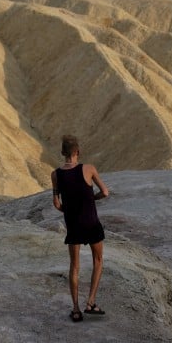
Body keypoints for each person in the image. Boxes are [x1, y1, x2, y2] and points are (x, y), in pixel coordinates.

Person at [51, 134, 109, 323]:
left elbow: (57, 203)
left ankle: (76, 310)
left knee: (74, 267)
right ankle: (91, 302)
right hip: (91, 222)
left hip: (73, 225)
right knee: (98, 260)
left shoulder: (56, 175)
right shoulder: (89, 169)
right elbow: (105, 192)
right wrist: (91, 199)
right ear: (77, 152)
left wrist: (70, 210)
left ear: (62, 153)